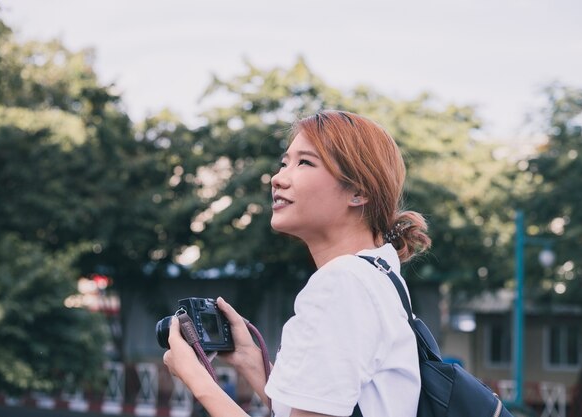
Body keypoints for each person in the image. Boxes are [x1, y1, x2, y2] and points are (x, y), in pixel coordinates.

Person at [163, 110, 432, 417]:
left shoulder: (342, 283)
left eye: (305, 162)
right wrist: (250, 358)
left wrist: (197, 380)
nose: (278, 178)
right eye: (284, 162)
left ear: (359, 191)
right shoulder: (378, 274)